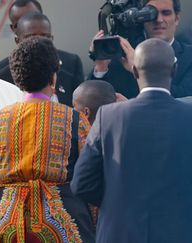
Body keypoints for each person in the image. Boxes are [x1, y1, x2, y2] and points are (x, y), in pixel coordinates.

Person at [0, 36, 94, 243]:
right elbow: (90, 181)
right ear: (53, 77)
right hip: (64, 221)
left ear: (17, 76)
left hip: (8, 222)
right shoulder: (75, 119)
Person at [71, 38, 192, 242]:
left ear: (135, 71)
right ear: (174, 70)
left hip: (121, 233)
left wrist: (116, 202)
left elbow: (82, 183)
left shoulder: (108, 116)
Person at [89, 0, 192, 98]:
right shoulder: (123, 56)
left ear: (177, 19)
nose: (159, 19)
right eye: (151, 13)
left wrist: (140, 70)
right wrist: (101, 68)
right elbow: (90, 105)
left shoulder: (189, 56)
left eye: (166, 13)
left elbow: (186, 98)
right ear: (141, 18)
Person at [0, 0, 84, 107]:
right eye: (31, 37)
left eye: (44, 36)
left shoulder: (72, 63)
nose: (38, 41)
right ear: (15, 32)